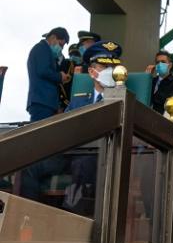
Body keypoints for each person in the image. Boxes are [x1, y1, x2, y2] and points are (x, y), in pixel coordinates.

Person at [64, 40, 124, 214]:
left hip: (102, 155)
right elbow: (63, 128)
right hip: (70, 152)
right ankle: (27, 218)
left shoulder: (121, 99)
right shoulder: (79, 100)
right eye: (104, 67)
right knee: (33, 165)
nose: (110, 72)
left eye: (113, 67)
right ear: (92, 72)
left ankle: (72, 216)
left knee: (83, 163)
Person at [26, 27, 70, 122]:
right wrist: (60, 76)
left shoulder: (47, 51)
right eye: (60, 44)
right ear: (53, 37)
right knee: (39, 135)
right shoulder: (41, 48)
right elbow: (43, 71)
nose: (61, 48)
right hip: (42, 101)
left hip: (47, 103)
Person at [149, 50, 173, 115]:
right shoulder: (151, 80)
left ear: (170, 65)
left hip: (163, 119)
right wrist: (146, 78)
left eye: (163, 62)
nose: (159, 64)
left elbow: (168, 102)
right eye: (157, 62)